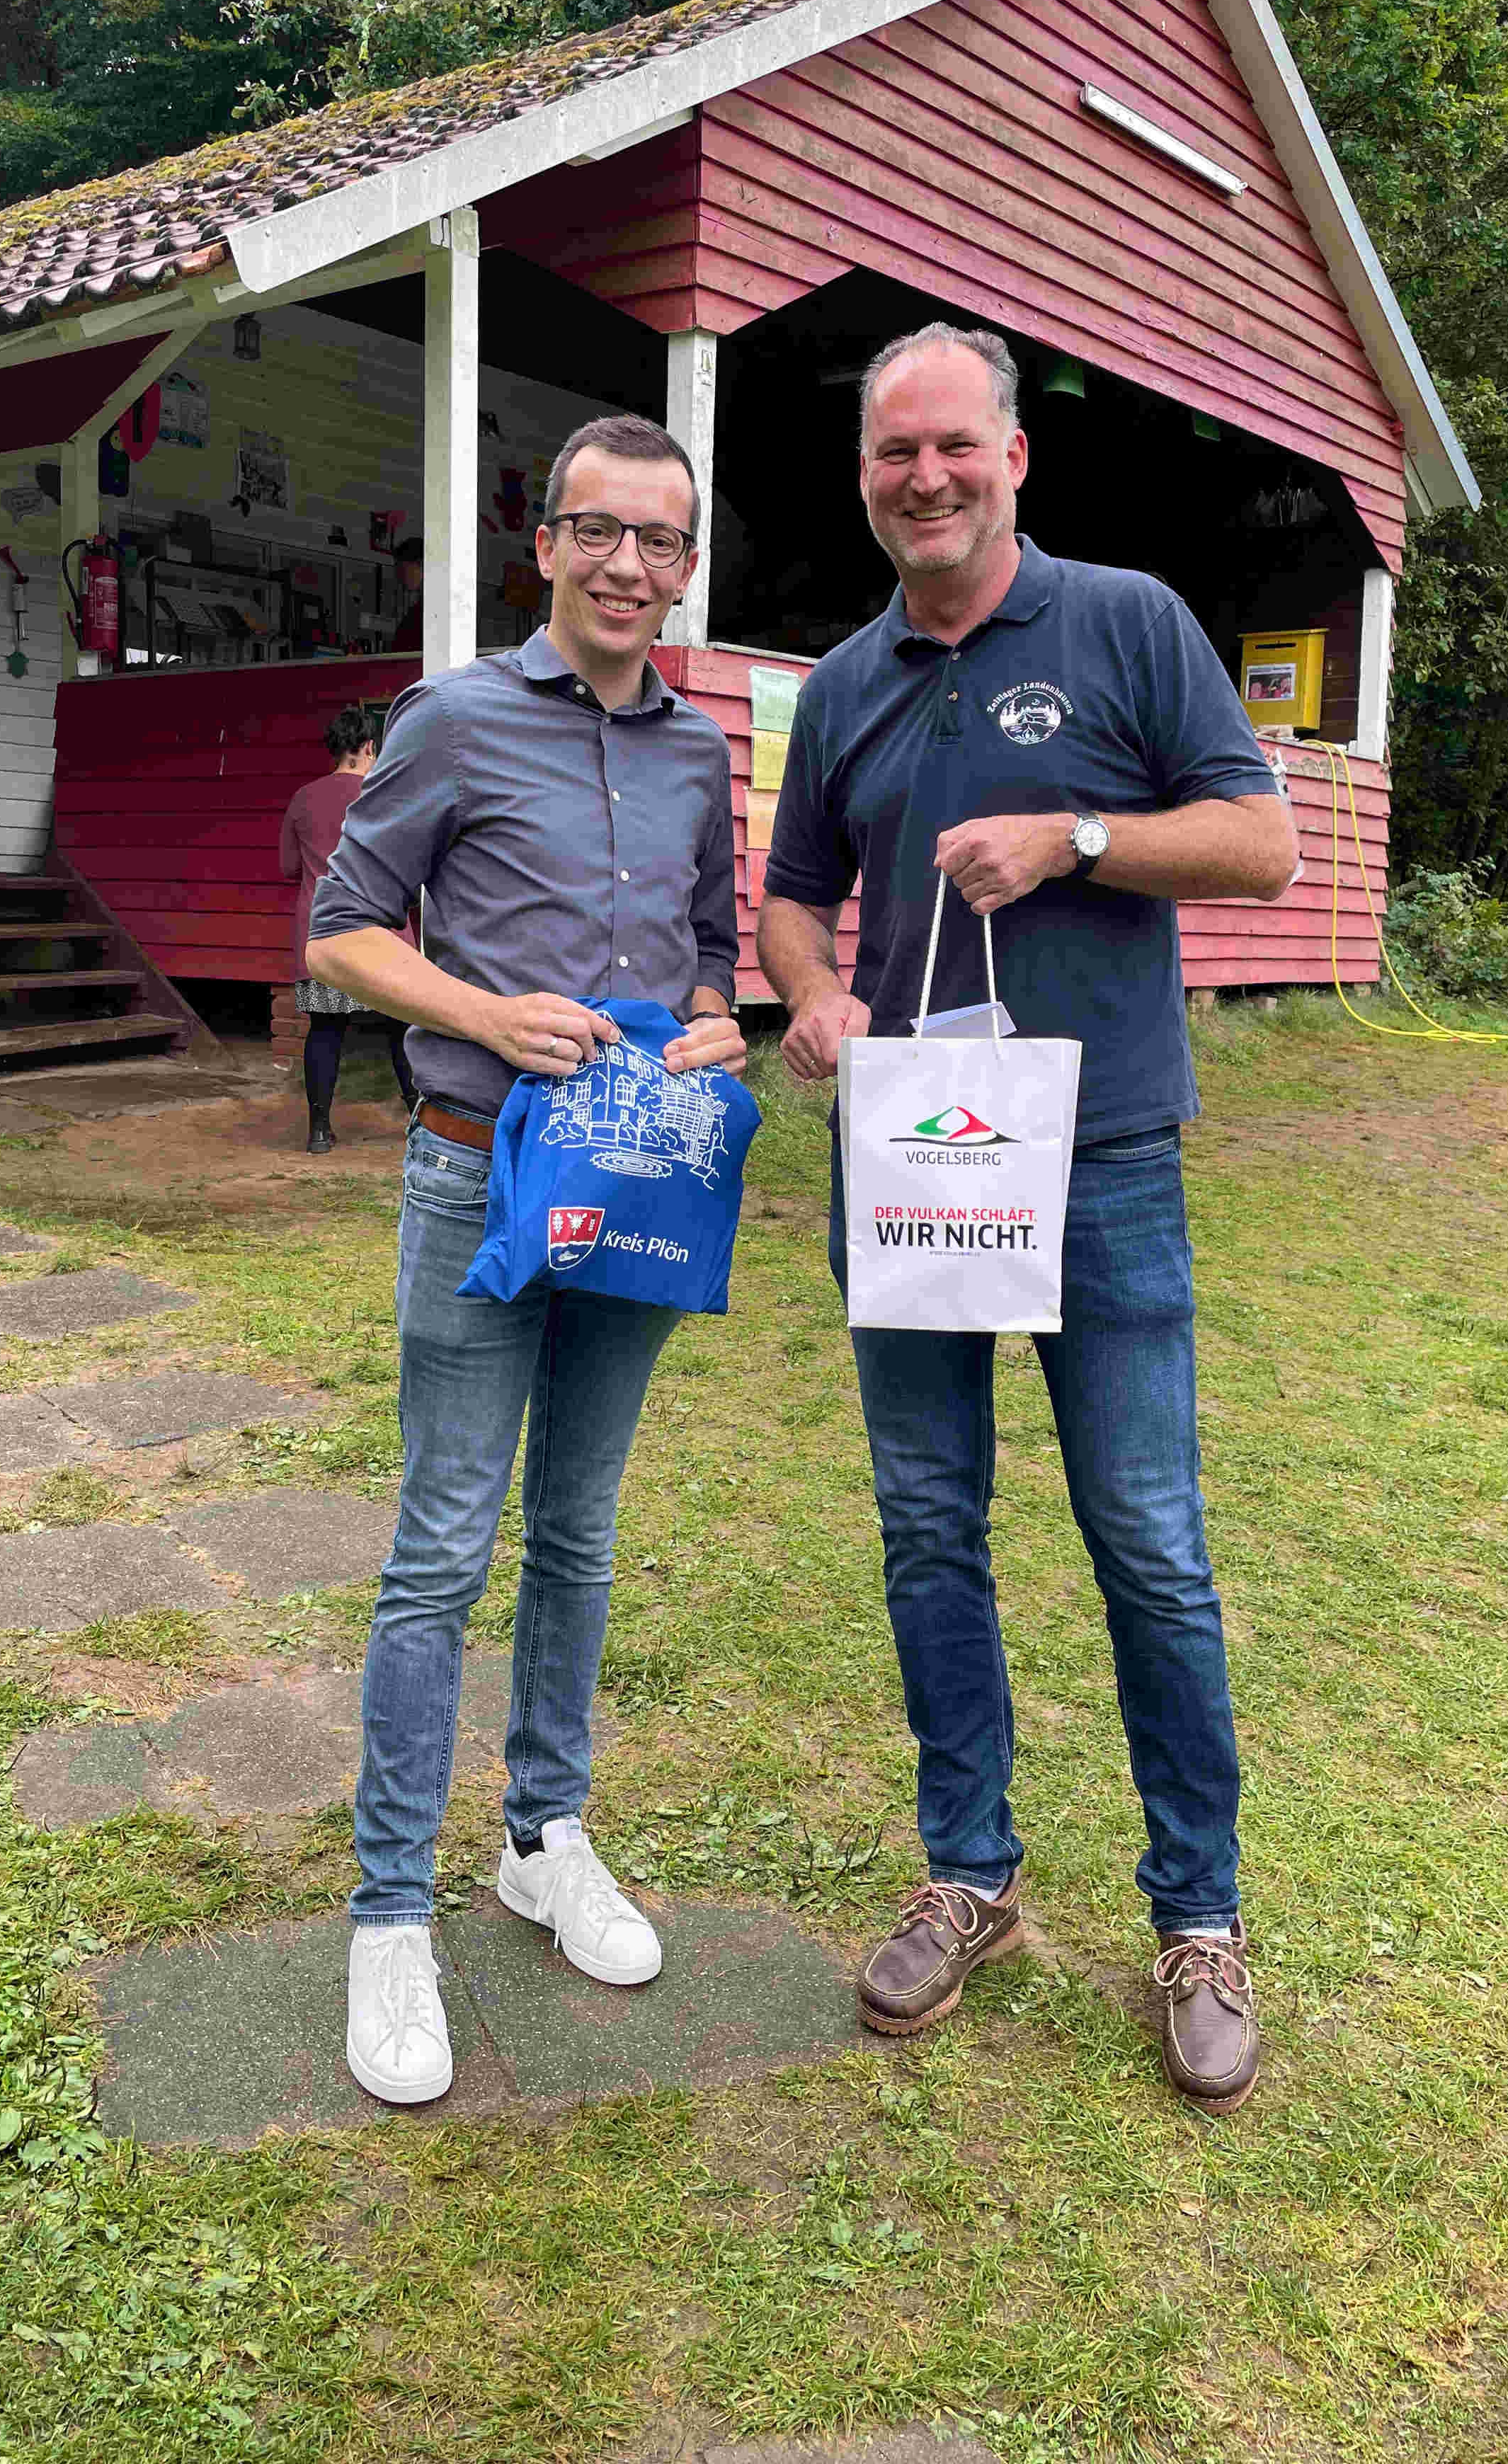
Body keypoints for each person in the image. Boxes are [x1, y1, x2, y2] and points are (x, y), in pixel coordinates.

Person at [757, 321, 1298, 2115]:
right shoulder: (839, 684)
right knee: (930, 1525)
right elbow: (790, 903)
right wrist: (815, 1002)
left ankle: (1199, 1918)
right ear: (866, 480)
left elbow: (1259, 845)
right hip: (913, 1160)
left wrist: (1073, 840)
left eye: (953, 447)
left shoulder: (1129, 623)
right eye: (892, 454)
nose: (924, 477)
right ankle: (969, 1874)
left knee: (1146, 1536)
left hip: (1104, 1159)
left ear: (1013, 457)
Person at [307, 412, 746, 2107]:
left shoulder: (705, 757)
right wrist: (485, 1013)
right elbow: (339, 927)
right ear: (543, 543)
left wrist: (716, 1025)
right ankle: (388, 1913)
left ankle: (544, 1837)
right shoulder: (460, 718)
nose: (628, 564)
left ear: (685, 565)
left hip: (640, 1193)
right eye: (597, 531)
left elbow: (713, 956)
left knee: (578, 1529)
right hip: (478, 1177)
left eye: (660, 540)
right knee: (441, 1546)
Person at [279, 711, 417, 1151]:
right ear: (370, 749)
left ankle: (319, 1131)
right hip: (383, 934)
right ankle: (419, 1124)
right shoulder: (384, 794)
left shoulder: (303, 798)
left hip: (323, 935)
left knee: (325, 1029)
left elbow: (287, 868)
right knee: (402, 1027)